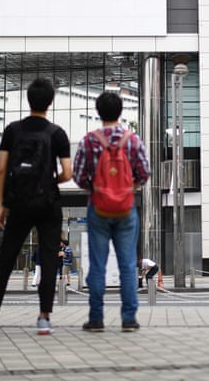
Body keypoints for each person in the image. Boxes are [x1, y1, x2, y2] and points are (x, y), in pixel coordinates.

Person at [0, 77, 72, 335]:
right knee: (49, 258)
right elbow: (68, 173)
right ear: (50, 102)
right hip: (49, 202)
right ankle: (44, 318)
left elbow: (3, 169)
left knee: (6, 256)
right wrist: (51, 180)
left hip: (20, 203)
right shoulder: (57, 133)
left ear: (28, 100)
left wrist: (2, 203)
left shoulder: (13, 130)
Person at [72, 91, 151, 333]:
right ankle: (129, 319)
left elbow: (78, 176)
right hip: (126, 209)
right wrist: (128, 187)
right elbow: (144, 173)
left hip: (98, 208)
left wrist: (97, 189)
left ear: (98, 112)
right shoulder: (132, 140)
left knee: (98, 265)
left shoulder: (89, 141)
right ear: (120, 112)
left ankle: (96, 319)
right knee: (128, 264)